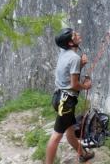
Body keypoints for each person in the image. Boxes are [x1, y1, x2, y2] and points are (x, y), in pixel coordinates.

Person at [45, 28, 95, 163]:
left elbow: (68, 73)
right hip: (66, 102)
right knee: (56, 137)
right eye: (74, 35)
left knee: (70, 133)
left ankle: (83, 154)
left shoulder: (64, 52)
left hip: (60, 97)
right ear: (70, 43)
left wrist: (81, 64)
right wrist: (86, 86)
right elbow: (74, 84)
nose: (77, 34)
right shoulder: (74, 58)